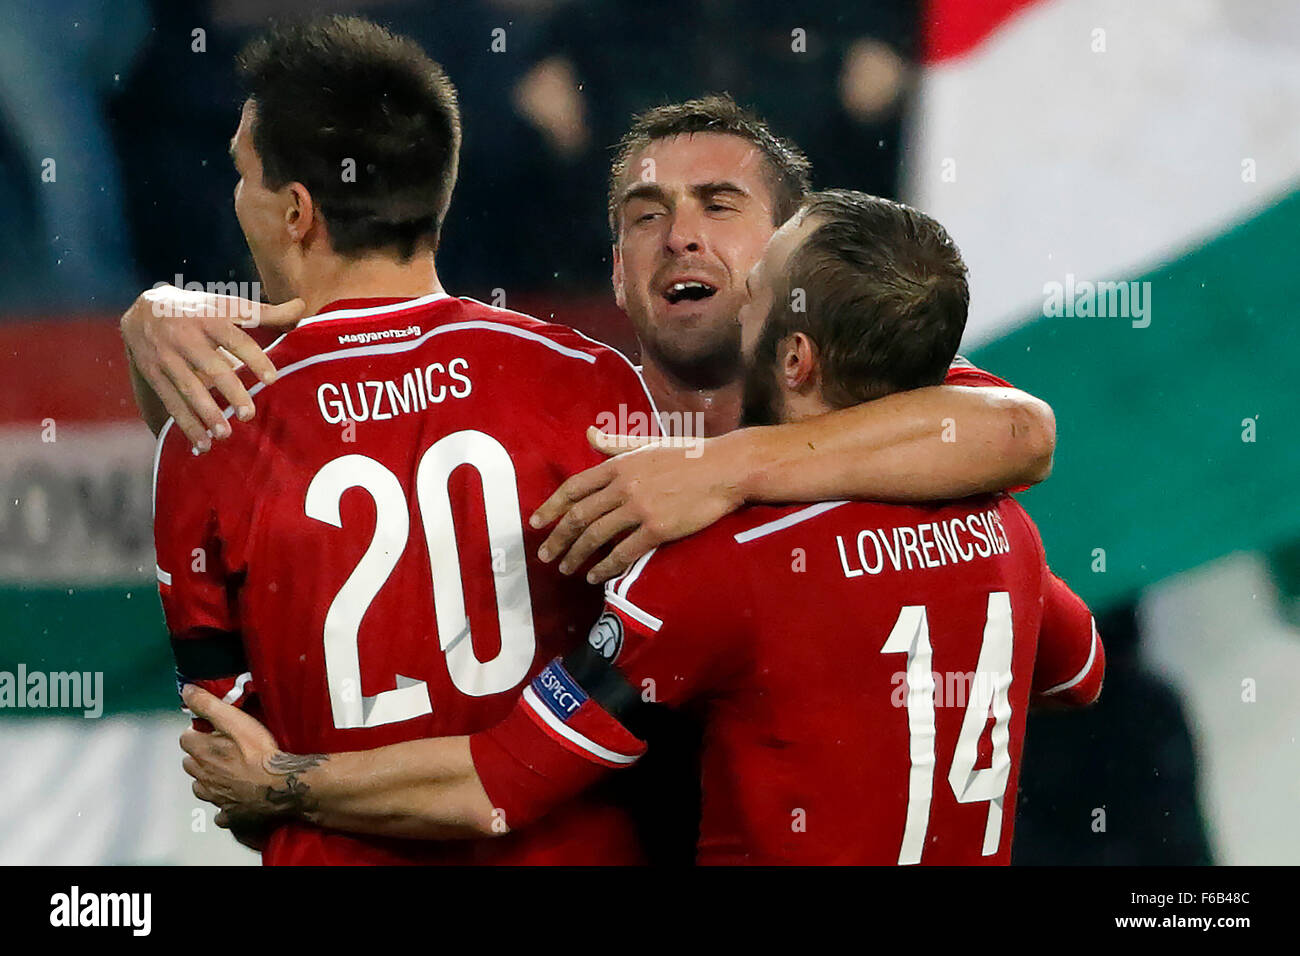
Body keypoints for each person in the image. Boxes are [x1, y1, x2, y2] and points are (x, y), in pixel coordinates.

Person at [180, 191, 1104, 864]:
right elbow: (1076, 673)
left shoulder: (714, 570)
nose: (737, 283)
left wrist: (283, 782)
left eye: (763, 277)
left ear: (795, 354)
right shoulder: (1007, 537)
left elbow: (494, 786)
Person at [122, 95, 1057, 587]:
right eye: (645, 216)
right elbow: (249, 465)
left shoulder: (876, 412)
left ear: (789, 253)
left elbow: (1021, 431)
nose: (679, 235)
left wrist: (730, 469)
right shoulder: (558, 408)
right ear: (616, 274)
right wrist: (154, 318)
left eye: (718, 207)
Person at [153, 15, 662, 865]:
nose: (232, 198)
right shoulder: (589, 382)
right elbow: (648, 689)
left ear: (296, 210)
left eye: (241, 174)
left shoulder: (209, 427)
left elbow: (234, 774)